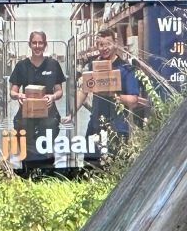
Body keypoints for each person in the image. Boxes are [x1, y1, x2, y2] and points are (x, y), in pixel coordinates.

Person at [69, 28, 139, 164]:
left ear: (115, 44)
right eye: (101, 44)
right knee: (90, 165)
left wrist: (113, 95)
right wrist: (71, 113)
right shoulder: (92, 67)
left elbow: (134, 101)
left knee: (116, 165)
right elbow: (84, 91)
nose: (104, 48)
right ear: (97, 46)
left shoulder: (126, 68)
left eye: (108, 43)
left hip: (118, 128)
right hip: (95, 124)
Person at [9, 30, 66, 169]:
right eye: (34, 42)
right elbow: (12, 91)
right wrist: (18, 96)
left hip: (48, 113)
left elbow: (59, 91)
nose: (37, 46)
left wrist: (52, 96)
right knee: (26, 146)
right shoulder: (21, 66)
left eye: (40, 43)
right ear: (30, 44)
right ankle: (27, 172)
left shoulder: (53, 64)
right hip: (26, 113)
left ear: (45, 45)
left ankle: (47, 174)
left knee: (46, 148)